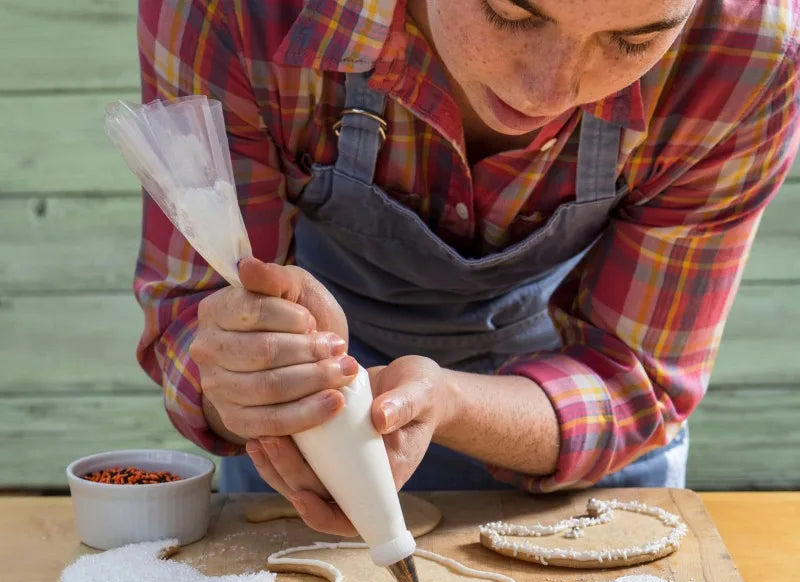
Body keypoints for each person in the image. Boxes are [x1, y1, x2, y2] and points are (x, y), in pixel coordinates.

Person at [135, 0, 799, 536]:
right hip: (314, 407)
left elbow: (638, 380)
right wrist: (242, 379)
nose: (547, 90)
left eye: (632, 41)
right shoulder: (239, 10)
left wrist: (447, 400)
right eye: (511, 14)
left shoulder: (749, 49)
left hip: (567, 409)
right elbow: (196, 317)